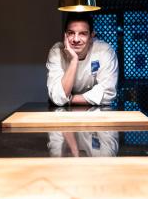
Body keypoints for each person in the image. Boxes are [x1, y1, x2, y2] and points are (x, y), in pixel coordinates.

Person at [46, 12, 119, 157]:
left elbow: (108, 93)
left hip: (98, 120)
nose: (76, 39)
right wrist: (73, 60)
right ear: (65, 35)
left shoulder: (105, 51)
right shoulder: (56, 52)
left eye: (83, 34)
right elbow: (58, 99)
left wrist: (69, 99)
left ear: (92, 36)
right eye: (71, 33)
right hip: (61, 120)